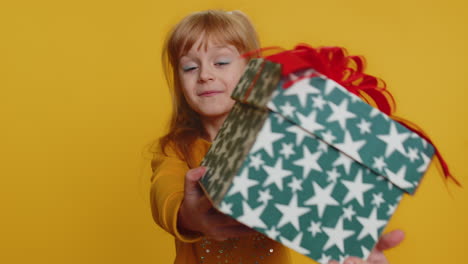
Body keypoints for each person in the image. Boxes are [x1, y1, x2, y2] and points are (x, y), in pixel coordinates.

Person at [149, 9, 404, 264]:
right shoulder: (174, 148)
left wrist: (353, 243)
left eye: (221, 63)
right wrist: (188, 215)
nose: (204, 75)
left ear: (252, 70)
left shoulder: (278, 139)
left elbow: (316, 197)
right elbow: (165, 191)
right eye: (190, 67)